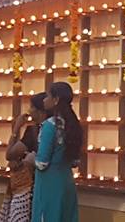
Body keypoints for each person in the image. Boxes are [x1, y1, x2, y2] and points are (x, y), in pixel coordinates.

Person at [26, 82, 81, 222]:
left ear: (55, 100)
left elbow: (42, 163)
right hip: (67, 182)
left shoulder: (50, 125)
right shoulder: (72, 124)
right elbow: (75, 161)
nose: (44, 99)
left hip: (49, 184)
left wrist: (31, 158)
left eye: (48, 96)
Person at [0, 92, 47, 222]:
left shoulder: (34, 131)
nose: (29, 111)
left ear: (39, 110)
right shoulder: (55, 127)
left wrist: (16, 128)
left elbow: (10, 154)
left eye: (31, 107)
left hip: (29, 187)